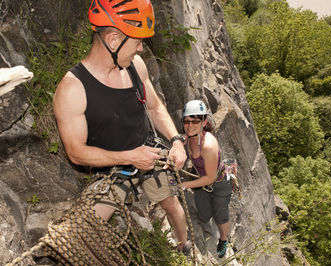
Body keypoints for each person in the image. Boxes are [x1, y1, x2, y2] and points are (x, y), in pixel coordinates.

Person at [53, 0, 190, 252]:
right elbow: (76, 152)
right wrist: (130, 157)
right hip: (112, 171)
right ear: (114, 39)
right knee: (83, 232)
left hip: (150, 154)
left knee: (171, 203)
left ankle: (184, 245)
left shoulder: (135, 67)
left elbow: (155, 107)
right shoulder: (73, 89)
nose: (140, 48)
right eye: (137, 41)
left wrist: (176, 141)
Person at [180, 100, 232, 258]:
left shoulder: (208, 145)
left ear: (204, 122)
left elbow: (210, 178)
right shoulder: (188, 138)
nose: (190, 125)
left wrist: (184, 184)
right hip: (202, 183)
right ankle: (208, 225)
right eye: (186, 121)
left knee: (220, 215)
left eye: (195, 121)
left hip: (219, 183)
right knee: (203, 214)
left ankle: (223, 240)